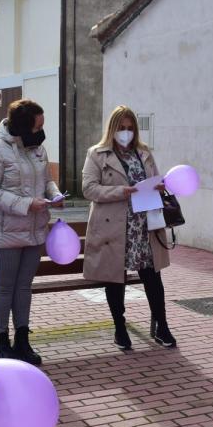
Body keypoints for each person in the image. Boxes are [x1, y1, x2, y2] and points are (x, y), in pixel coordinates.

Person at [0, 99, 64, 365]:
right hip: (5, 232)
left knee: (24, 287)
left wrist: (55, 193)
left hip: (34, 230)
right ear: (22, 126)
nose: (41, 131)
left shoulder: (37, 149)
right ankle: (2, 341)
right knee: (4, 288)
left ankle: (22, 339)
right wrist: (26, 204)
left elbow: (46, 180)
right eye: (37, 126)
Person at [82, 105, 175, 350]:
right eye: (121, 128)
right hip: (115, 227)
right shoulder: (97, 154)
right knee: (115, 279)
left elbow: (156, 178)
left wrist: (160, 186)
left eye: (130, 128)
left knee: (152, 276)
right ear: (112, 129)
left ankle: (162, 325)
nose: (126, 133)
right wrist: (121, 192)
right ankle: (120, 328)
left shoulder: (143, 153)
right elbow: (89, 189)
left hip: (145, 225)